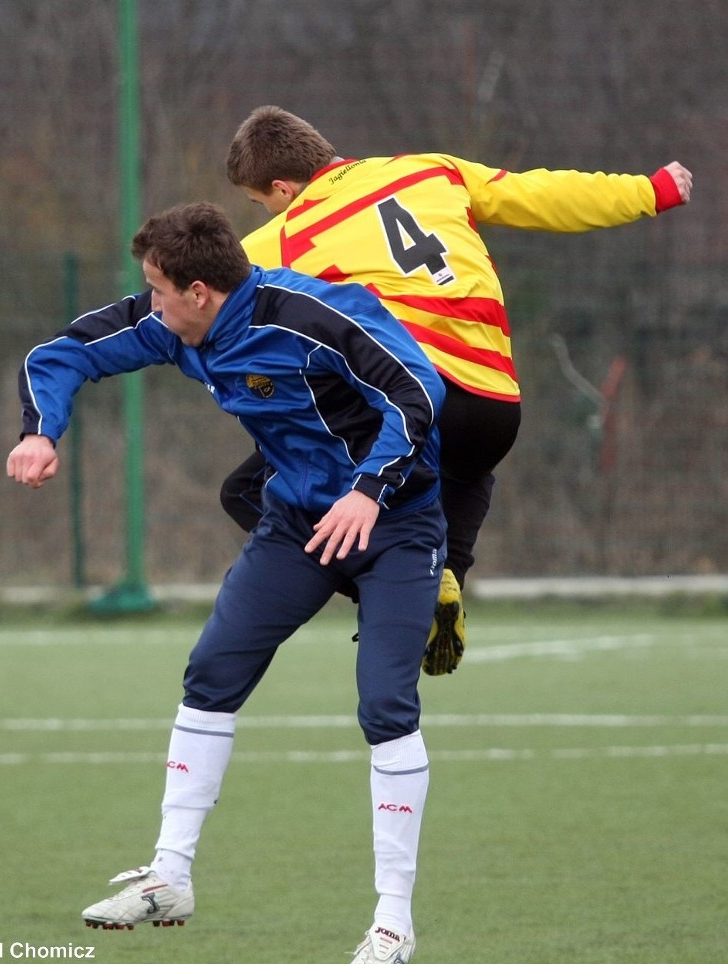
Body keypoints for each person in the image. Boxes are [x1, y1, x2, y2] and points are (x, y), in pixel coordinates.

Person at [7, 201, 447, 964]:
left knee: (386, 706)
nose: (150, 302)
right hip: (299, 525)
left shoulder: (313, 316)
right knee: (210, 675)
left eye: (159, 289)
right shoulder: (177, 324)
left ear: (201, 291)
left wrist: (371, 491)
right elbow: (66, 350)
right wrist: (41, 430)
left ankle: (391, 926)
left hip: (395, 524)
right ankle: (170, 873)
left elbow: (418, 388)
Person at [223, 105, 694, 677]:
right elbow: (541, 195)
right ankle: (446, 576)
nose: (264, 214)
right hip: (494, 409)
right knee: (465, 469)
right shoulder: (430, 171)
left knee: (247, 490)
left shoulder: (277, 240)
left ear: (281, 187)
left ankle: (401, 589)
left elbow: (198, 310)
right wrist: (651, 190)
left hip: (405, 405)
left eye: (260, 203)